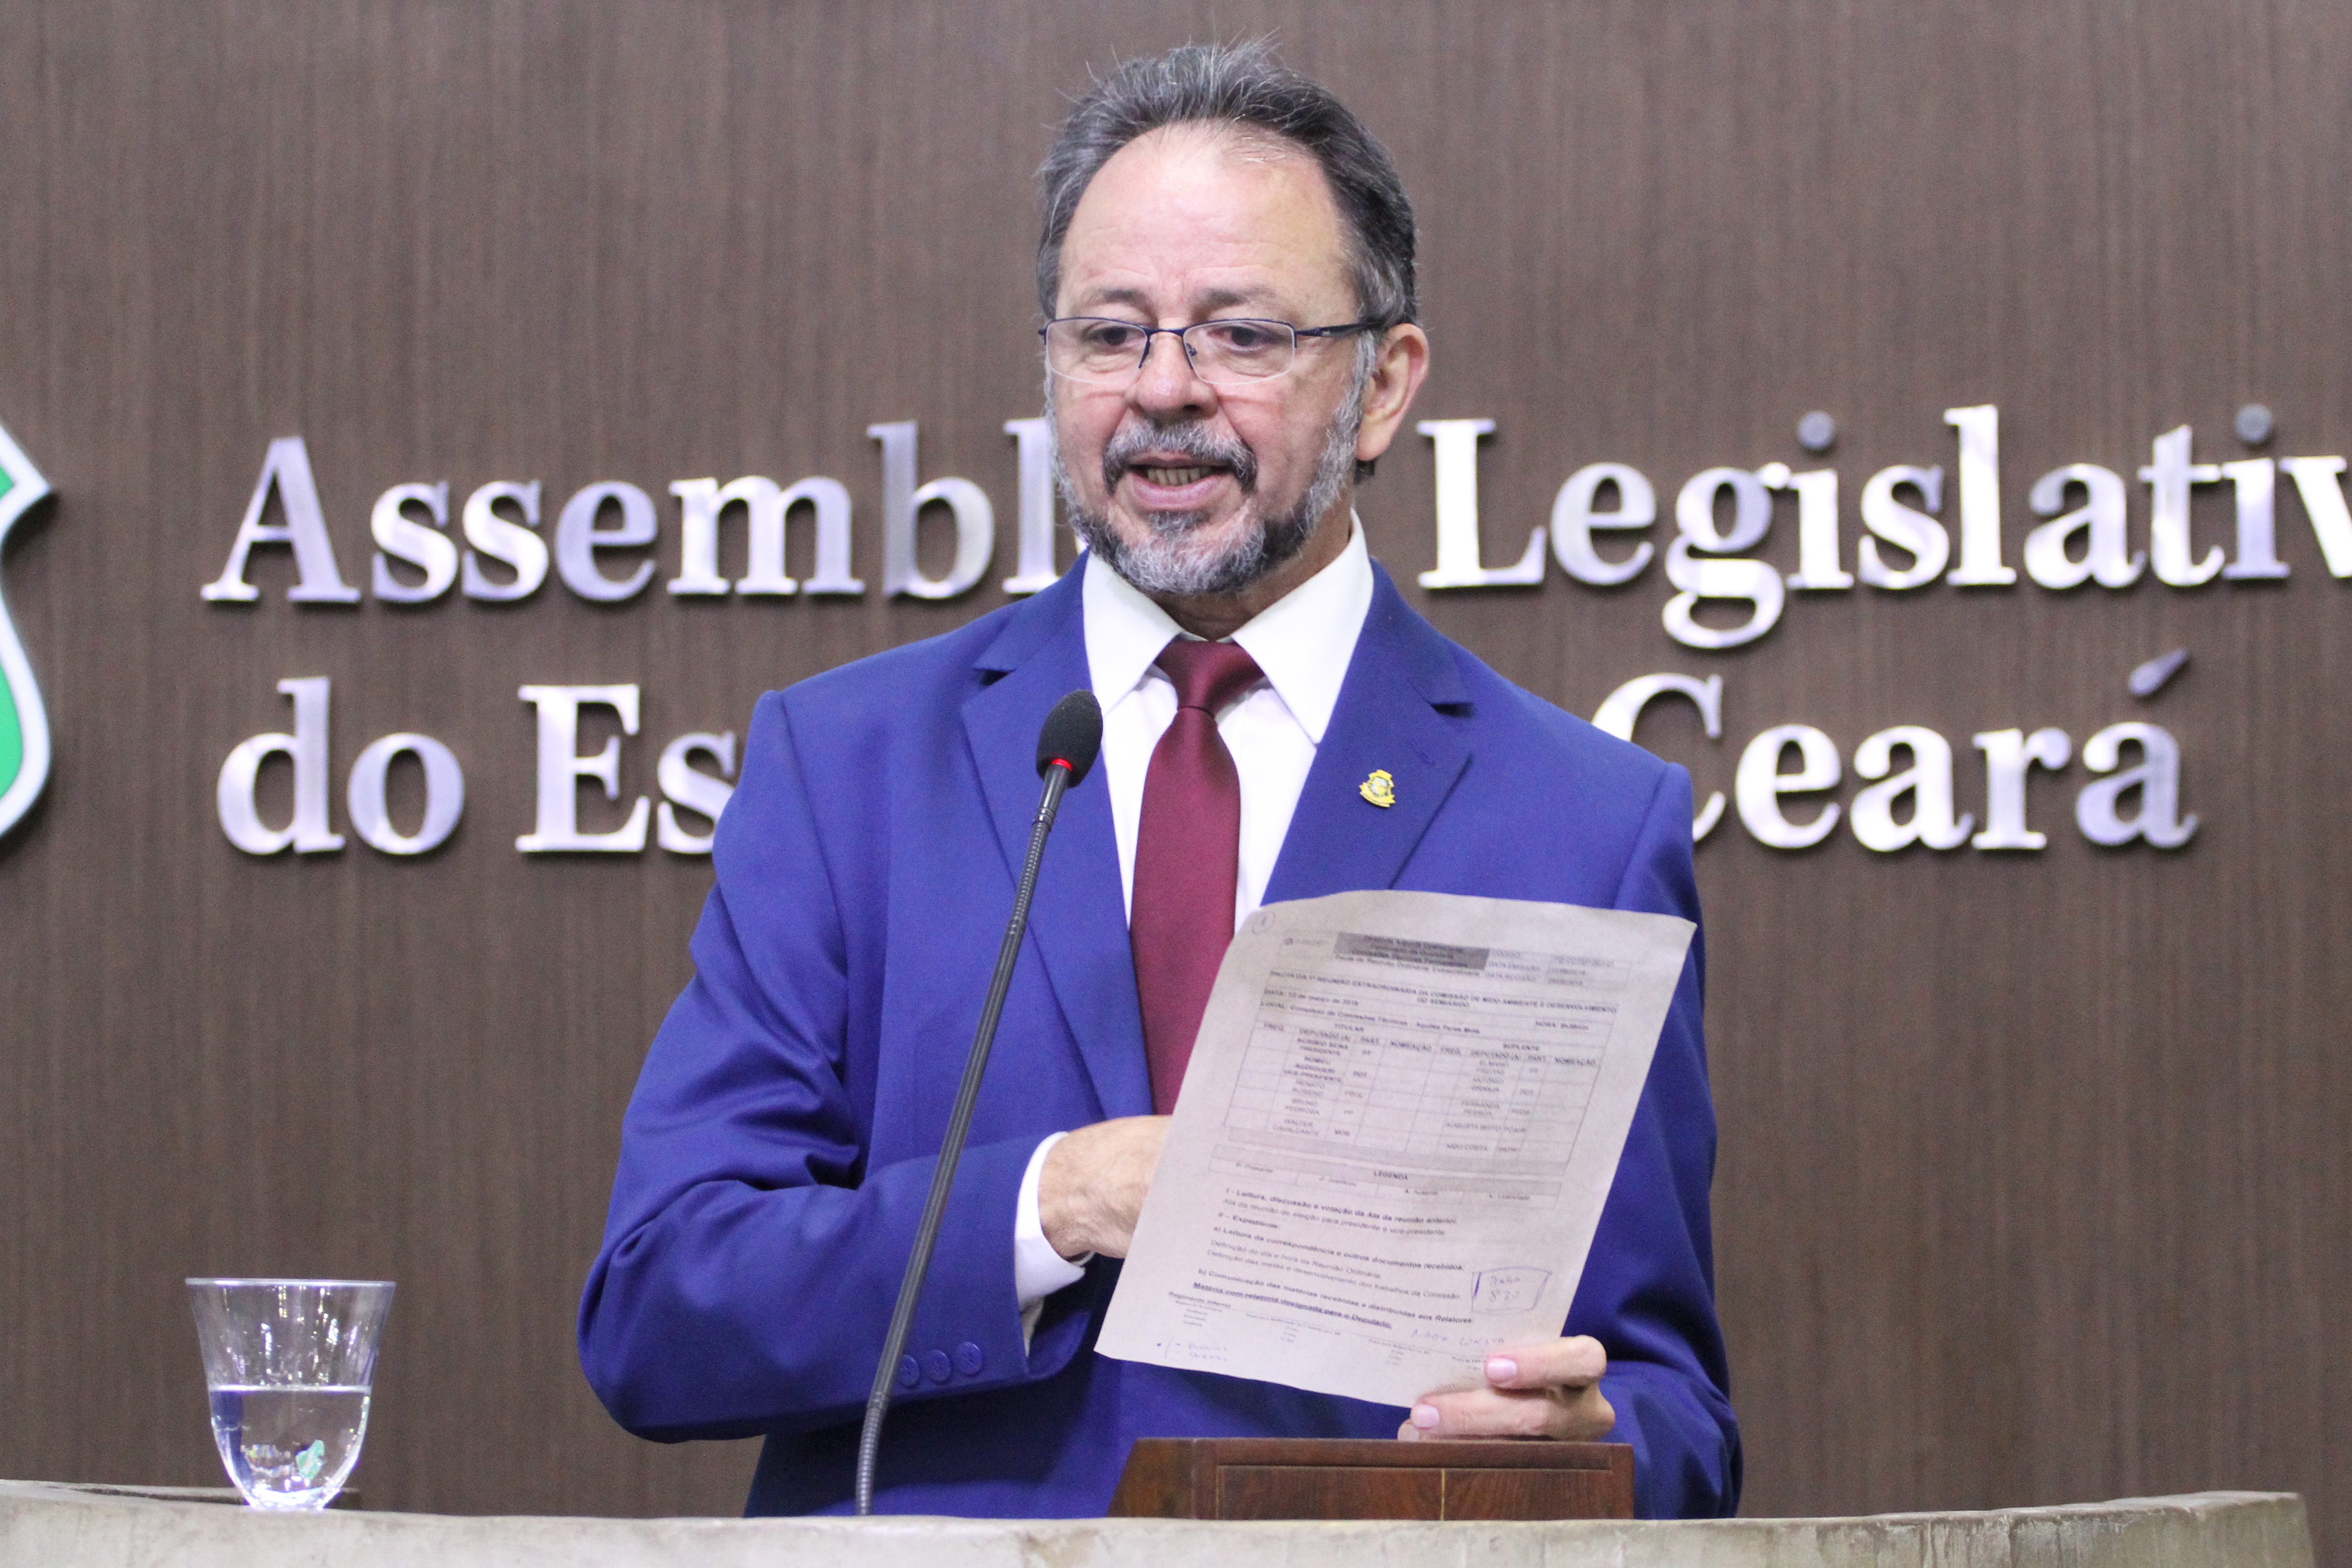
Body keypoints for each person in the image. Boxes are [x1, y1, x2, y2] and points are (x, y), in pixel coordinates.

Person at [579, 40, 1739, 1520]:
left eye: (1241, 336)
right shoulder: (850, 766)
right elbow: (660, 1308)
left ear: (1384, 385)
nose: (1164, 392)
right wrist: (1051, 1202)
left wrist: (1590, 1443)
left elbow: (1675, 1416)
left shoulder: (1584, 821)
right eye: (1111, 335)